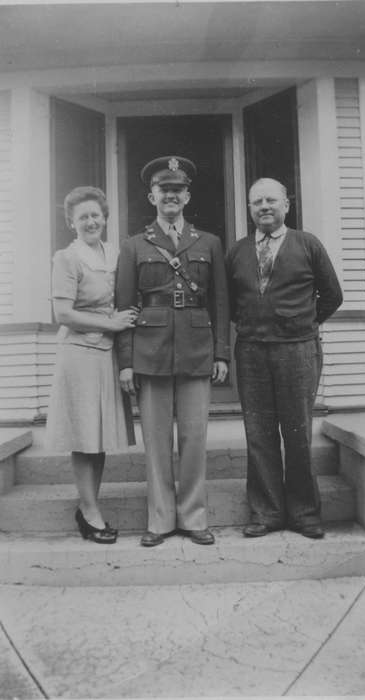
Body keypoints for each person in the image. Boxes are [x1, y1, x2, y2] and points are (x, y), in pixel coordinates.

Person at [116, 156, 230, 547]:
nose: (171, 195)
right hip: (150, 352)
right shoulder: (134, 246)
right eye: (164, 190)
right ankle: (161, 520)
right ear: (152, 196)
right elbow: (125, 308)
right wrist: (126, 362)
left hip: (198, 350)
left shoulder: (209, 242)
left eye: (177, 189)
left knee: (195, 439)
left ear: (187, 196)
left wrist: (221, 354)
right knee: (157, 439)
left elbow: (220, 303)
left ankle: (194, 517)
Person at [226, 177, 343, 539]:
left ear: (286, 205)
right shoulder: (238, 251)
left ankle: (305, 513)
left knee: (296, 433)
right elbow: (230, 303)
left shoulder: (307, 244)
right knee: (259, 433)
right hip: (251, 351)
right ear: (249, 209)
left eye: (271, 201)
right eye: (257, 202)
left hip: (297, 350)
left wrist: (302, 323)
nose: (264, 207)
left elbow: (332, 295)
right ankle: (267, 513)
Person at [46, 186, 138, 544]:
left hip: (107, 354)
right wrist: (111, 323)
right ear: (72, 222)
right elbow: (63, 313)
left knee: (97, 436)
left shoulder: (113, 253)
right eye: (82, 217)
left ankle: (90, 506)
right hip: (80, 354)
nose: (90, 221)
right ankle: (89, 510)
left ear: (105, 218)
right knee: (84, 435)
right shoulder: (67, 258)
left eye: (95, 215)